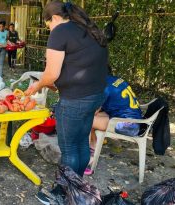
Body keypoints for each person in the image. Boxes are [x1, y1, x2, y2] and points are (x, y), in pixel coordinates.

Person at [24, 1, 108, 204]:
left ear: (53, 18)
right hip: (95, 96)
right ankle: (76, 186)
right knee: (81, 144)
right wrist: (54, 84)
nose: (50, 30)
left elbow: (51, 74)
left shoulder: (60, 32)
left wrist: (37, 86)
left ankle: (62, 194)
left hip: (75, 100)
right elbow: (76, 66)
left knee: (70, 148)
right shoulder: (89, 29)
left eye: (48, 26)